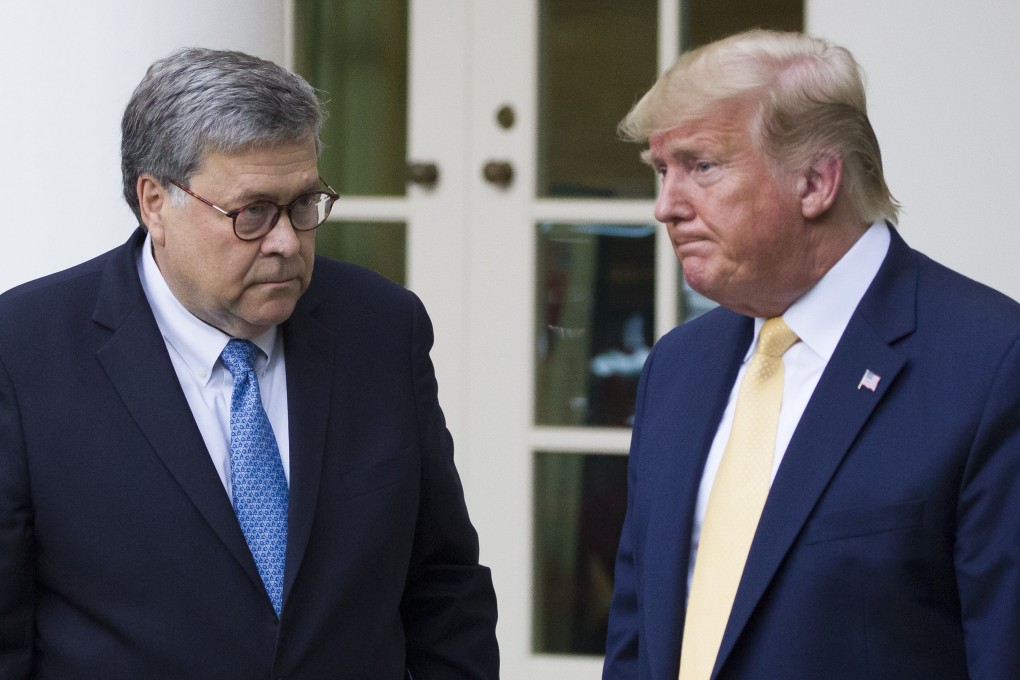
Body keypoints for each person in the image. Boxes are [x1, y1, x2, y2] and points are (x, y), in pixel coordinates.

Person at [0, 47, 498, 679]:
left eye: (304, 205)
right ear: (155, 202)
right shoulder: (24, 351)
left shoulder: (381, 329)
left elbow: (443, 585)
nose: (287, 241)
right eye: (252, 213)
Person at [602, 29, 1020, 679]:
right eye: (662, 171)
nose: (665, 207)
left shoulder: (991, 363)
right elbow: (637, 638)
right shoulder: (678, 367)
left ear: (817, 181)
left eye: (701, 166)